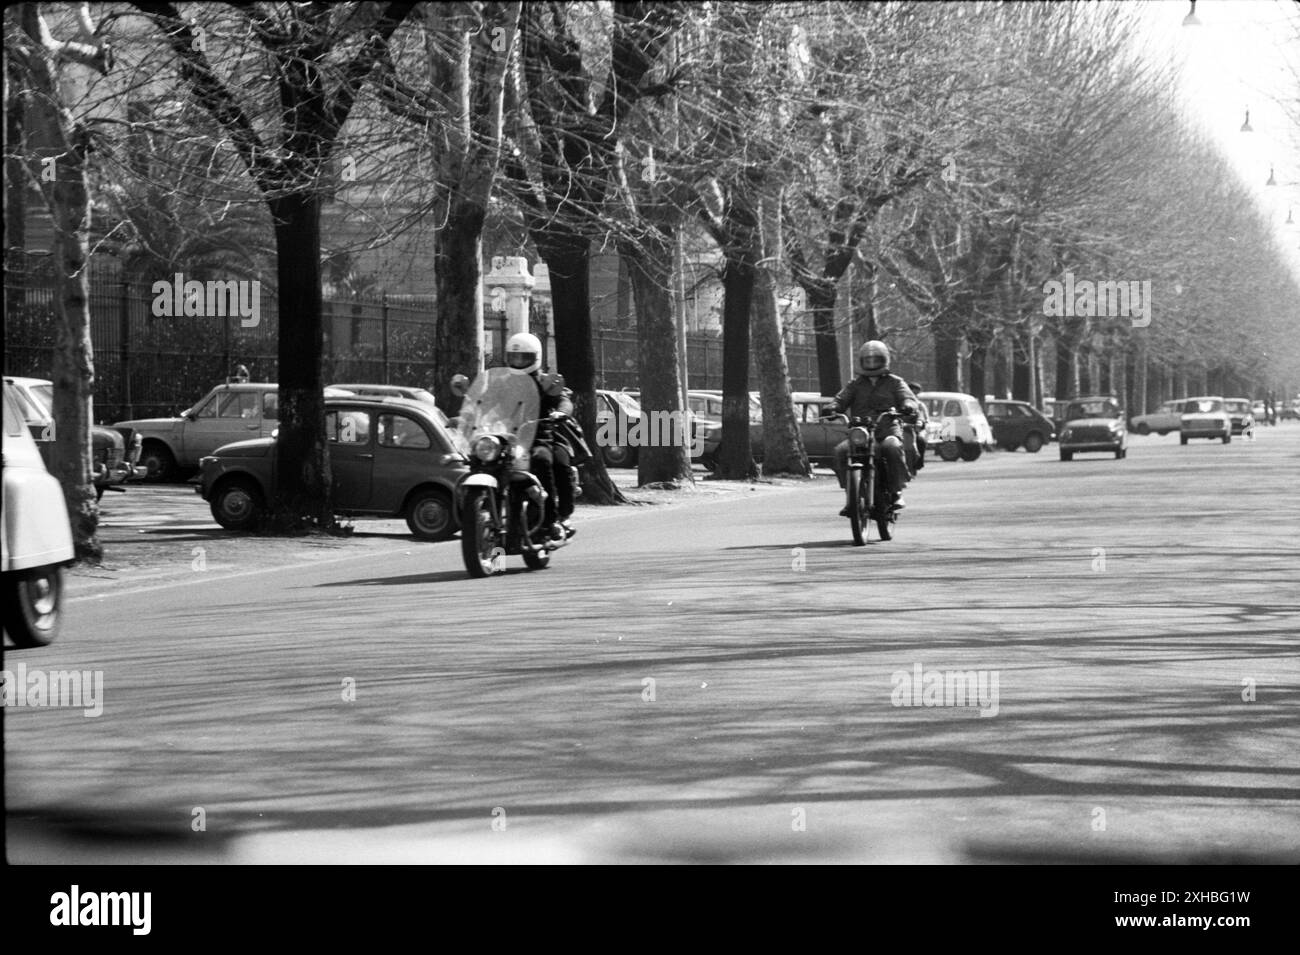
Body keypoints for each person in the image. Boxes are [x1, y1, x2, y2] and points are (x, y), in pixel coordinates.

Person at [820, 340, 920, 516]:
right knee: (841, 451)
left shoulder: (895, 382)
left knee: (892, 447)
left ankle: (897, 492)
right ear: (862, 361)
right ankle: (851, 495)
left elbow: (908, 398)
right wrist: (833, 407)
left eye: (876, 360)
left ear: (885, 360)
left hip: (888, 428)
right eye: (868, 360)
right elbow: (841, 398)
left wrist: (908, 406)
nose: (872, 364)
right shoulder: (856, 384)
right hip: (861, 431)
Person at [504, 332, 576, 541]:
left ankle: (553, 520)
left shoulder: (546, 382)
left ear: (535, 357)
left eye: (523, 358)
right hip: (507, 439)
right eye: (514, 357)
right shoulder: (502, 382)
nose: (518, 362)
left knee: (543, 460)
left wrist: (562, 411)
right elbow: (485, 402)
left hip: (538, 437)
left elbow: (564, 399)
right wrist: (469, 413)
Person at [906, 380, 929, 474]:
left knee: (921, 440)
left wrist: (920, 424)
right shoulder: (901, 403)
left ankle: (920, 461)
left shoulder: (920, 405)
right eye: (912, 392)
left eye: (916, 393)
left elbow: (924, 418)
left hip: (916, 429)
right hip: (901, 428)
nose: (914, 395)